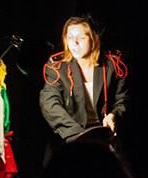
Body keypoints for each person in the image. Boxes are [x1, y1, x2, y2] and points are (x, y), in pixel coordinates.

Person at [40, 16, 129, 144]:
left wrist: (114, 115)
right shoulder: (57, 67)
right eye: (70, 37)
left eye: (81, 38)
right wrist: (76, 133)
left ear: (94, 38)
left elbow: (122, 99)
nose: (74, 43)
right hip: (72, 136)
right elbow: (49, 103)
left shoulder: (112, 65)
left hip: (105, 136)